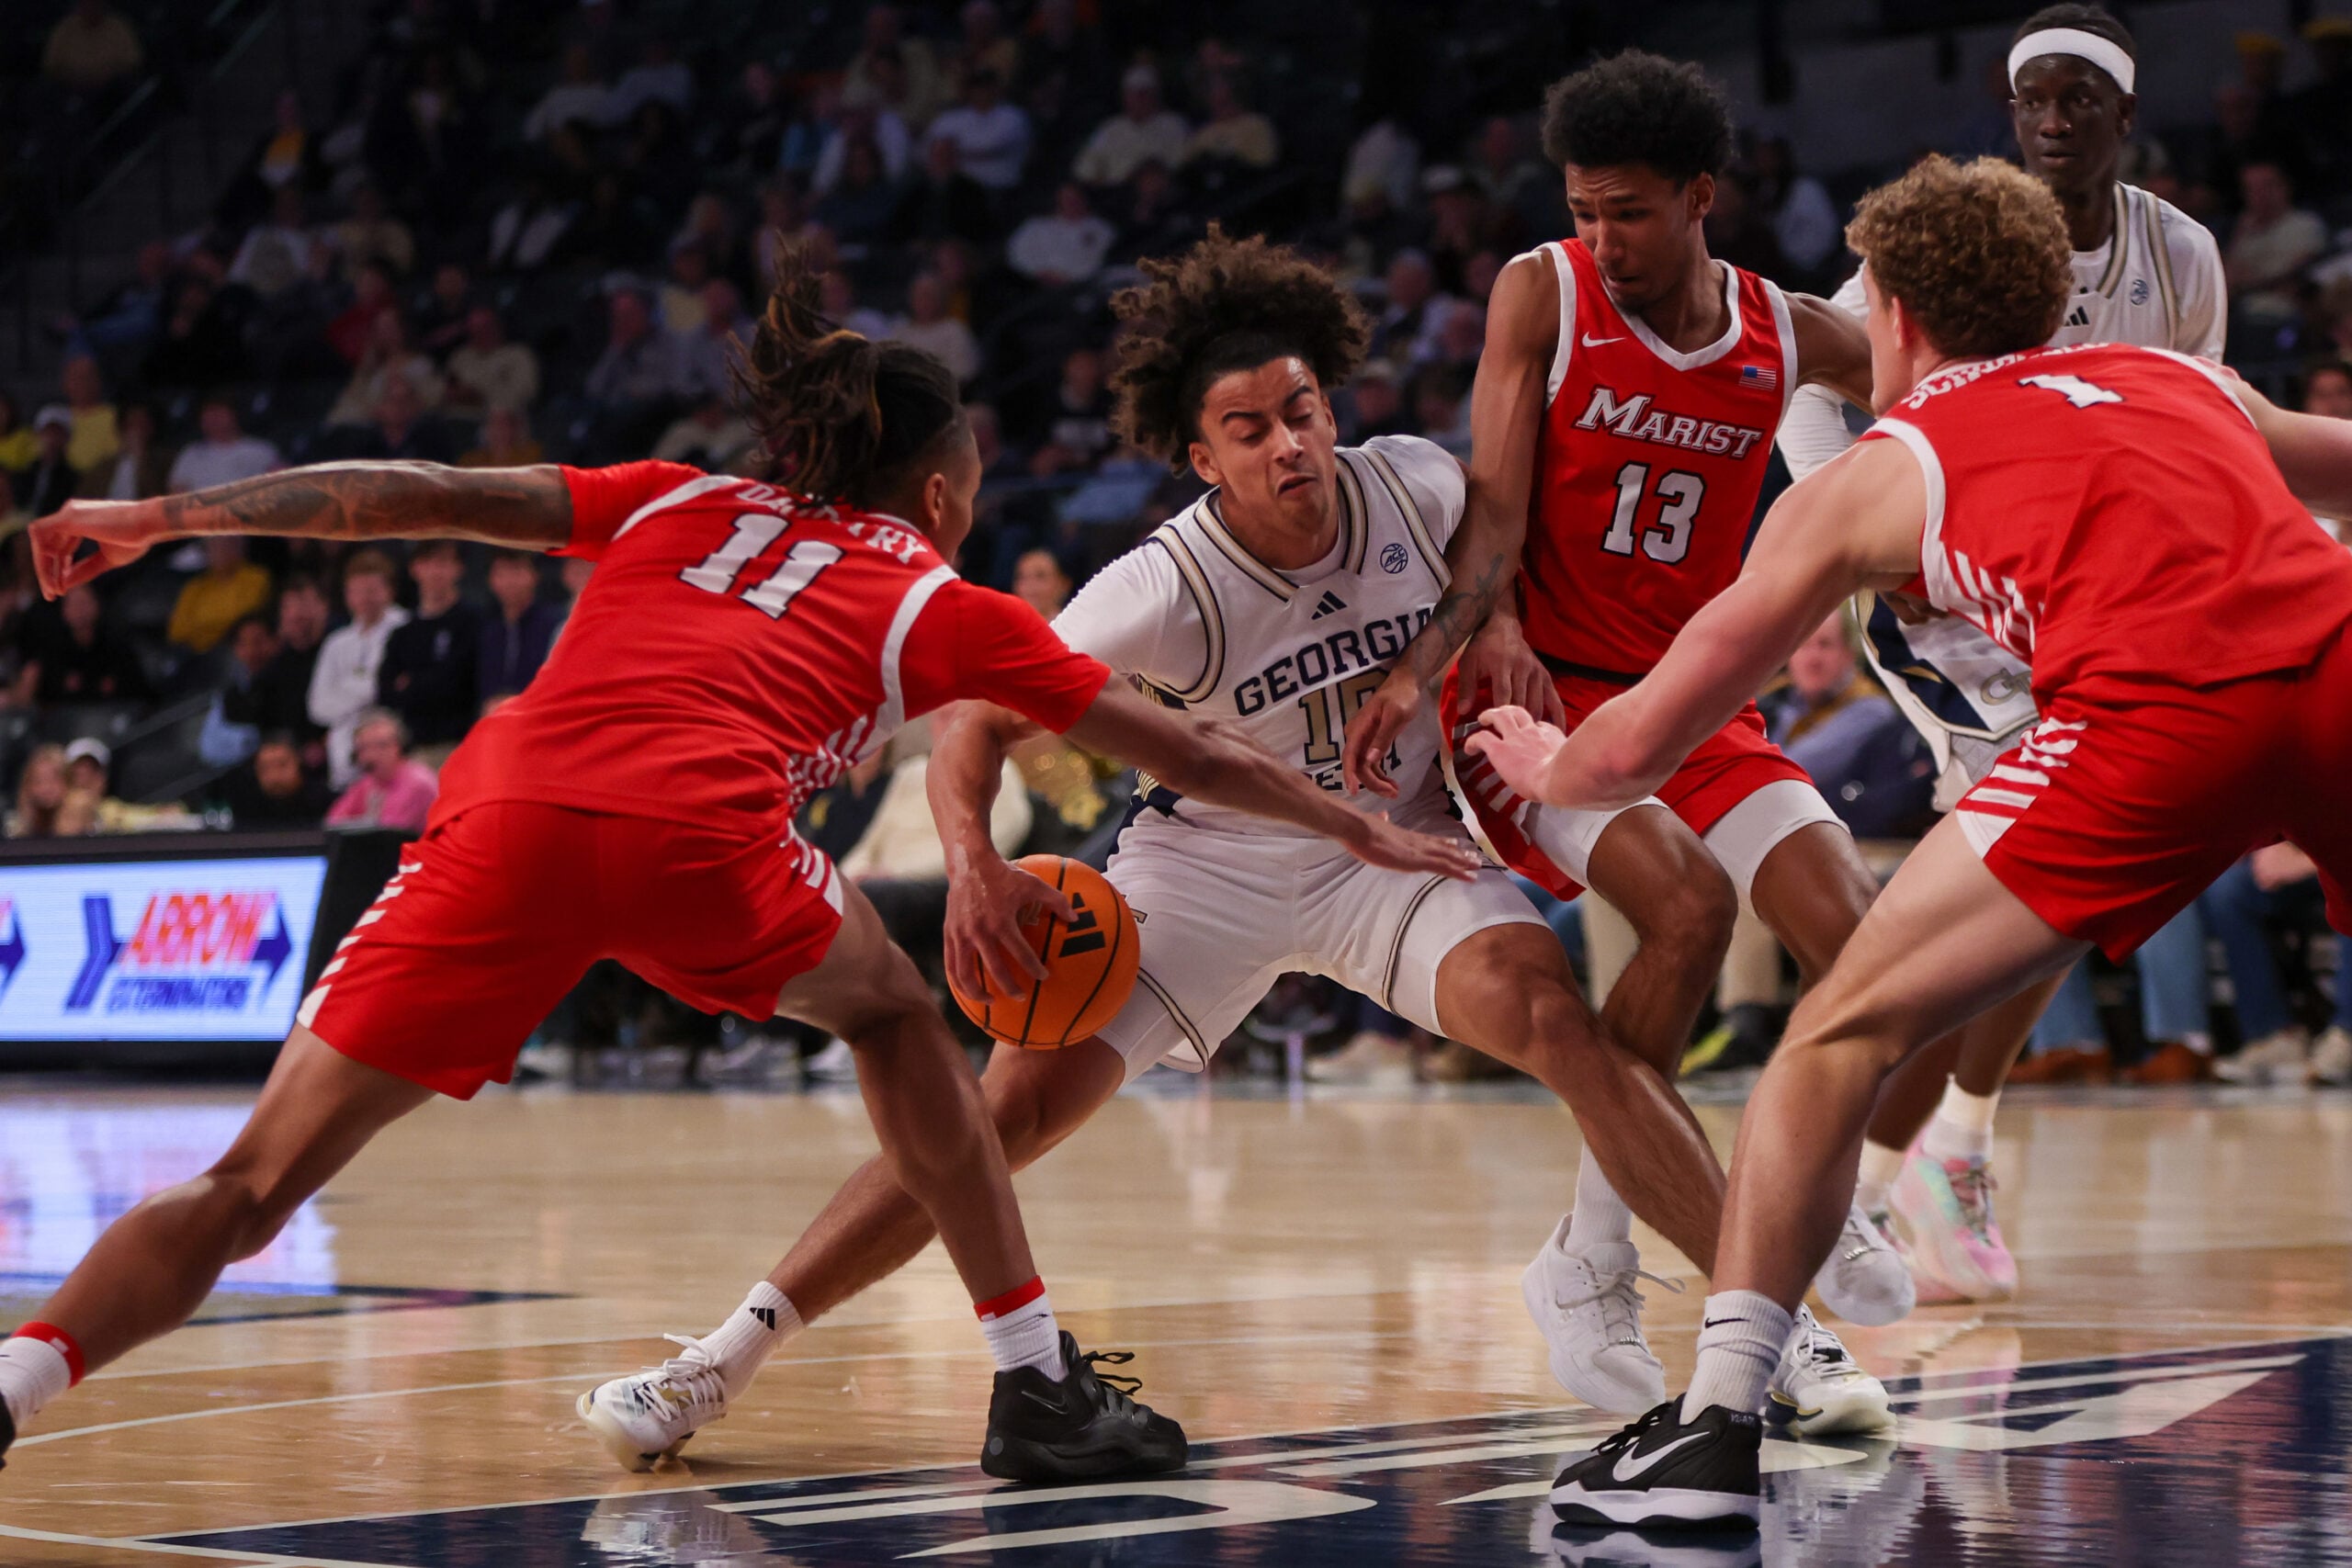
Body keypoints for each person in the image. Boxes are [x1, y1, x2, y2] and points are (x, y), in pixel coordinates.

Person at [5, 246, 1471, 1478]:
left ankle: (17, 1380)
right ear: (947, 490)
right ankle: (1032, 1376)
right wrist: (1357, 824)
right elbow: (1192, 754)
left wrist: (159, 513)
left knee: (251, 1181)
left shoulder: (672, 493)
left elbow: (416, 487)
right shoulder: (935, 595)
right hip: (692, 831)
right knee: (899, 1017)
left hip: (498, 813)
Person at [575, 230, 1884, 1473]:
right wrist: (973, 861)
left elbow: (1507, 577)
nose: (1290, 444)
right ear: (1202, 457)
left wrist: (1501, 637)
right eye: (1250, 430)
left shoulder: (1417, 486)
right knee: (998, 1117)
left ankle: (1768, 1327)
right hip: (1208, 867)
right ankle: (716, 1359)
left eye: (1303, 410)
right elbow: (976, 726)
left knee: (1558, 1020)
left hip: (1391, 851)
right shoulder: (1156, 586)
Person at [1468, 152, 2352, 1531]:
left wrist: (1547, 760)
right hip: (2339, 656)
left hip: (2158, 714)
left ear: (1886, 312)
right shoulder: (2185, 381)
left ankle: (1714, 1430)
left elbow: (1646, 739)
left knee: (1834, 1037)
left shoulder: (1882, 470)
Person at [1340, 50, 1918, 1348]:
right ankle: (1679, 1238)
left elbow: (1929, 392)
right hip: (1536, 703)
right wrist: (1468, 633)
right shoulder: (1540, 291)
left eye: (1630, 212)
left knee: (1869, 942)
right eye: (1582, 208)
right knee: (1689, 908)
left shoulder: (1789, 332)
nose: (1599, 237)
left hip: (1697, 701)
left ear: (1702, 194)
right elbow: (1492, 501)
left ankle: (1609, 1237)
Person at [1779, 5, 2232, 1303]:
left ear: (2123, 116)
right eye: (2035, 93)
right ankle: (1892, 1163)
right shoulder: (1949, 235)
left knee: (2059, 887)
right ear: (2009, 105)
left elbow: (2192, 420)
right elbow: (1814, 378)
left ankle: (1937, 1148)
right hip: (1952, 594)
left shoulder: (2176, 254)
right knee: (2036, 867)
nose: (2055, 117)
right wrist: (1851, 524)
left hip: (2090, 588)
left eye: (2082, 95)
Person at [310, 550, 410, 786]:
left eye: (372, 590)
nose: (366, 598)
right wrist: (364, 690)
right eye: (358, 591)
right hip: (344, 752)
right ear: (347, 594)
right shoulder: (336, 642)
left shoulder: (405, 629)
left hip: (391, 746)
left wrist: (345, 690)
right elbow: (317, 706)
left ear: (389, 590)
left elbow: (386, 690)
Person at [377, 540, 481, 763]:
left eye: (443, 562)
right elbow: (385, 692)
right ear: (414, 568)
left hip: (459, 744)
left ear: (459, 568)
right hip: (411, 750)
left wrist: (412, 683)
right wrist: (433, 682)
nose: (435, 571)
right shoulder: (402, 633)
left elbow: (459, 684)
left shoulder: (473, 623)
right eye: (428, 562)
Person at [325, 708, 438, 831]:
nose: (371, 755)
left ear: (398, 747)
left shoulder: (417, 783)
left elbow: (391, 833)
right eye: (363, 748)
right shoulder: (367, 783)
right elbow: (333, 822)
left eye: (381, 746)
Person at [479, 548, 561, 705]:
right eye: (502, 572)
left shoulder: (554, 626)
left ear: (535, 575)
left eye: (516, 570)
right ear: (490, 579)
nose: (510, 581)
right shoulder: (485, 627)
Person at [165, 536, 272, 656]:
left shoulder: (256, 578)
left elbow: (242, 621)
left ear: (240, 548)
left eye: (227, 544)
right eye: (214, 546)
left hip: (237, 652)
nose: (220, 550)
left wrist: (203, 630)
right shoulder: (194, 587)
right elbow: (177, 632)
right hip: (197, 655)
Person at [221, 731, 334, 828]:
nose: (274, 776)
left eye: (282, 764)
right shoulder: (246, 808)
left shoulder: (326, 802)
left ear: (299, 761)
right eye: (265, 768)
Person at [167, 400, 282, 493]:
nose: (213, 419)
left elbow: (280, 485)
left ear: (234, 416)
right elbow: (177, 489)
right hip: (201, 516)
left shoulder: (260, 450)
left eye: (219, 413)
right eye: (208, 414)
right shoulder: (191, 452)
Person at [6, 744, 93, 839]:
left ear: (67, 780)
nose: (46, 788)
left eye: (53, 780)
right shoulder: (21, 826)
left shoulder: (80, 807)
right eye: (38, 781)